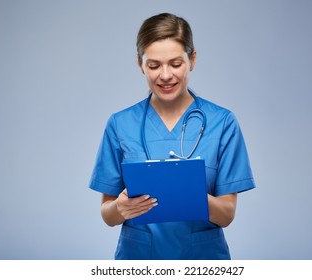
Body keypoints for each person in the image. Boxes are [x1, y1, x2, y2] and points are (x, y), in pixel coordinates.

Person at [89, 13, 255, 260]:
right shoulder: (120, 124)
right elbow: (107, 214)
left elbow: (226, 214)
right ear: (140, 64)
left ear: (193, 59)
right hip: (139, 260)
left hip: (202, 261)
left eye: (175, 64)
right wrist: (120, 208)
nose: (165, 75)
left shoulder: (222, 123)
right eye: (154, 65)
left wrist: (187, 193)